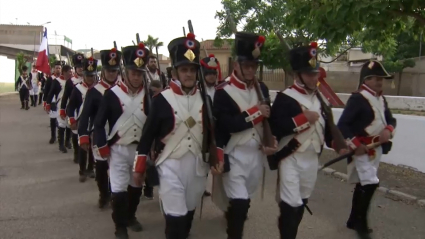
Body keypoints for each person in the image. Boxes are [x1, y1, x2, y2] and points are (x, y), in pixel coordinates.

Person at [132, 32, 219, 239]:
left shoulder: (206, 99)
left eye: (192, 70)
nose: (189, 74)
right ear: (175, 72)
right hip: (170, 165)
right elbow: (147, 136)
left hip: (198, 166)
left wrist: (218, 158)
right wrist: (139, 167)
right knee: (175, 218)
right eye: (184, 69)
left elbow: (214, 133)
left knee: (188, 212)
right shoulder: (162, 99)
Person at [268, 42, 346, 239]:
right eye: (310, 74)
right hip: (290, 156)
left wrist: (338, 145)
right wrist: (302, 119)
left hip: (312, 158)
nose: (314, 77)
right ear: (298, 75)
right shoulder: (285, 98)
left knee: (301, 201)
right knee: (290, 204)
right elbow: (275, 128)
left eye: (315, 73)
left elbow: (328, 131)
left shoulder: (322, 100)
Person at [211, 32, 277, 239]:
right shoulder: (223, 92)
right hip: (234, 153)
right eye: (246, 65)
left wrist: (270, 140)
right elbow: (227, 125)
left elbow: (269, 121)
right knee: (239, 202)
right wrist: (256, 112)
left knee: (244, 200)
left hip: (256, 155)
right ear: (236, 66)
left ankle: (232, 220)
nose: (250, 70)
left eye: (253, 66)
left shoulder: (262, 88)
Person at [93, 42, 151, 239]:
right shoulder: (111, 94)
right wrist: (102, 146)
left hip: (139, 150)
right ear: (125, 72)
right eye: (133, 72)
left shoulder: (149, 95)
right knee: (118, 191)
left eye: (139, 73)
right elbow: (99, 124)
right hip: (118, 149)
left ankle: (131, 216)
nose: (136, 77)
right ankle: (120, 226)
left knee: (136, 188)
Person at [337, 60, 396, 239]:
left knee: (363, 184)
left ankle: (353, 219)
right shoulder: (358, 98)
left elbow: (391, 120)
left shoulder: (381, 99)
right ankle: (361, 224)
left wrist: (388, 130)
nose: (380, 82)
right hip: (362, 149)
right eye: (376, 78)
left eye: (381, 79)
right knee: (370, 183)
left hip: (376, 148)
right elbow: (342, 126)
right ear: (366, 80)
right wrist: (356, 144)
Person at [78, 47, 121, 208]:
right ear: (103, 71)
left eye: (114, 70)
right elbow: (85, 115)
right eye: (109, 70)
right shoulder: (94, 92)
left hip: (119, 134)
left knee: (119, 168)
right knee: (102, 168)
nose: (112, 74)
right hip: (99, 134)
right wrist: (82, 135)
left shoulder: (123, 89)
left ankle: (116, 194)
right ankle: (104, 194)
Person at [67, 57, 97, 182]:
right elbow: (71, 106)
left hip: (95, 122)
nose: (90, 78)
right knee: (83, 146)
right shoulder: (77, 89)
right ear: (84, 75)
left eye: (92, 76)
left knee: (93, 147)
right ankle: (82, 170)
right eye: (88, 76)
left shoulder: (98, 89)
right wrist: (72, 120)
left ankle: (90, 168)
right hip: (82, 122)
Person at [199, 53, 222, 197]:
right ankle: (201, 185)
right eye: (208, 73)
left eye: (213, 73)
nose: (211, 76)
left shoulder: (221, 89)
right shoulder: (198, 91)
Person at [60, 53, 85, 162]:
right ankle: (76, 152)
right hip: (75, 110)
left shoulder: (90, 79)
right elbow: (65, 97)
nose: (80, 69)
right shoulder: (71, 81)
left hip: (87, 110)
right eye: (78, 67)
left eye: (82, 66)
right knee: (75, 133)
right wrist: (62, 110)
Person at [45, 64, 73, 153]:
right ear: (64, 72)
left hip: (71, 105)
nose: (71, 73)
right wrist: (47, 103)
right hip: (60, 105)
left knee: (69, 124)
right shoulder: (56, 81)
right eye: (69, 71)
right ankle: (61, 144)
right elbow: (51, 93)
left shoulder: (72, 81)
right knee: (62, 124)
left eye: (71, 71)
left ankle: (67, 141)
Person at [43, 61, 62, 144]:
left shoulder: (63, 79)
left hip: (61, 102)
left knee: (61, 121)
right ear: (54, 69)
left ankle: (61, 138)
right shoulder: (50, 79)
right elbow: (46, 90)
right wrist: (45, 102)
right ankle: (53, 136)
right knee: (53, 120)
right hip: (53, 102)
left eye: (59, 68)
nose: (58, 69)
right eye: (56, 68)